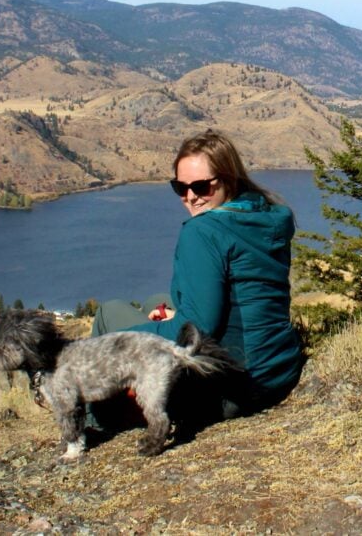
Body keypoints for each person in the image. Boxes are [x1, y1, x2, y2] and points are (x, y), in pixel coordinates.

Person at [91, 129, 304, 424]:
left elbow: (199, 329)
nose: (191, 197)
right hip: (278, 369)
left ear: (228, 179)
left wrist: (149, 333)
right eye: (180, 187)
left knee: (109, 313)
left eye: (202, 187)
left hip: (233, 387)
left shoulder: (203, 232)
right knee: (157, 301)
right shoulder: (267, 215)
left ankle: (95, 418)